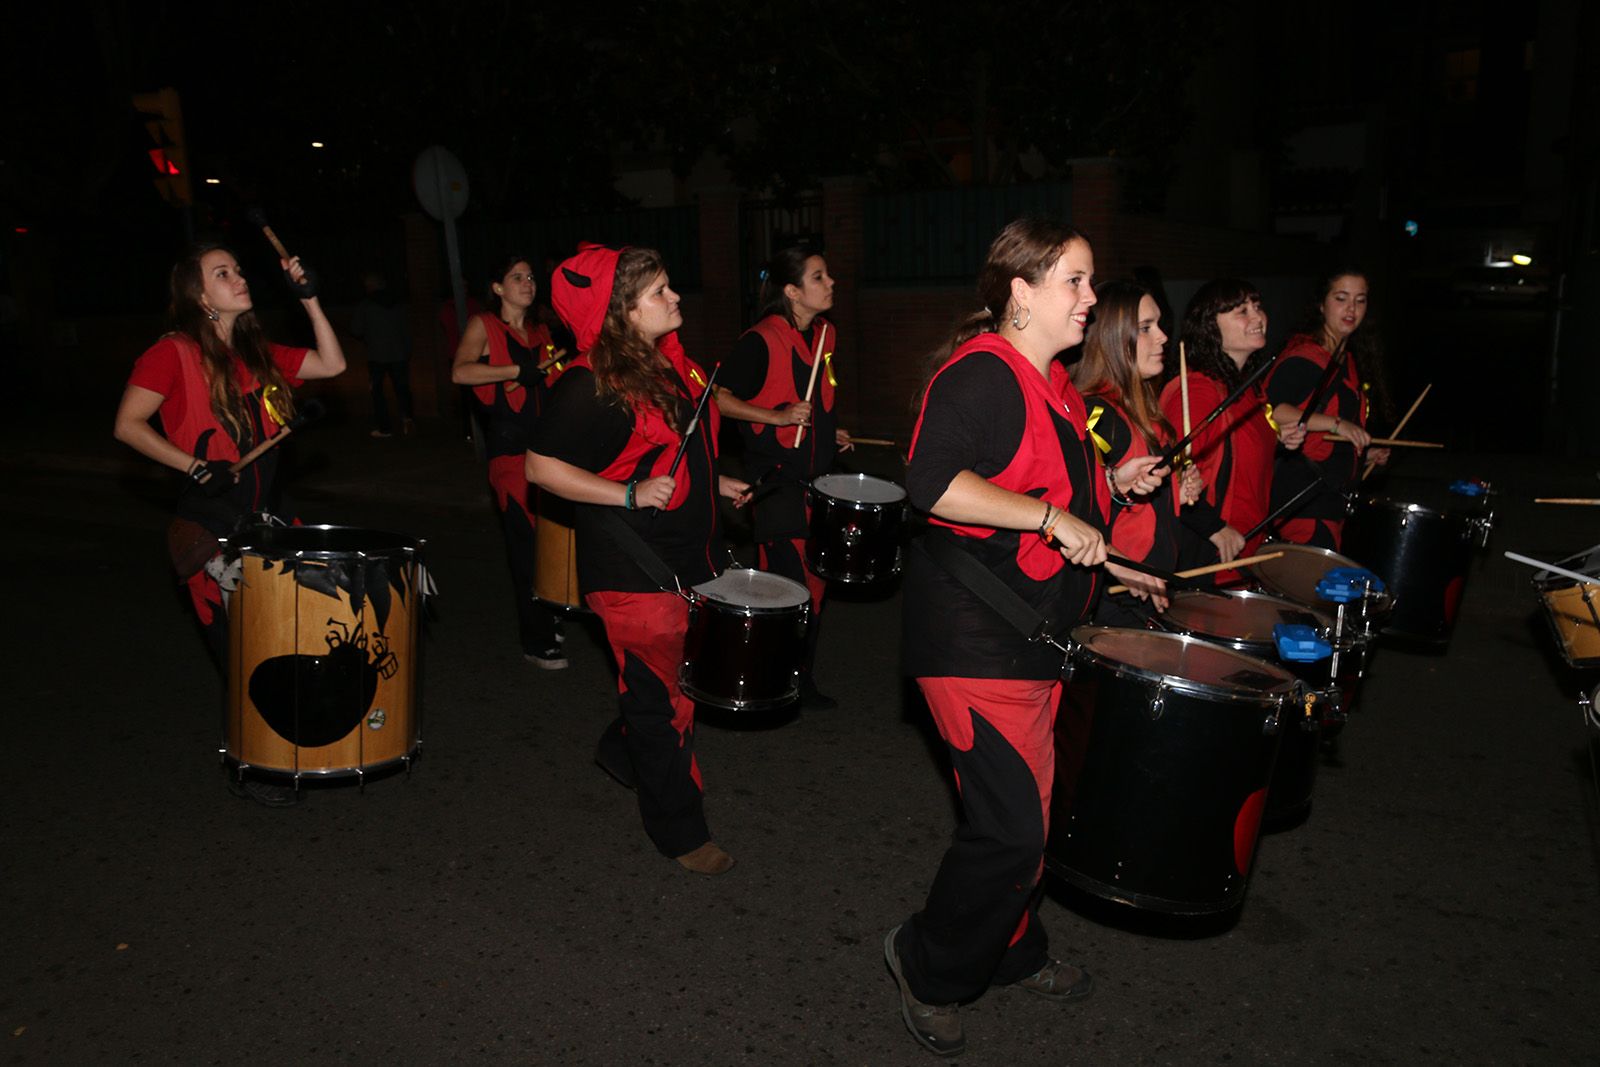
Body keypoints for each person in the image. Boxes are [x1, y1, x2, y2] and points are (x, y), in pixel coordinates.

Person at [885, 218, 1168, 1057]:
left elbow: (1053, 506)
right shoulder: (983, 376)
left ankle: (1011, 948)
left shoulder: (1056, 387)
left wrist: (1111, 541)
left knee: (1029, 820)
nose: (1090, 299)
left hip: (1034, 640)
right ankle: (926, 961)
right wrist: (1053, 514)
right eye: (1075, 282)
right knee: (1010, 831)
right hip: (972, 644)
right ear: (1021, 292)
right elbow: (930, 485)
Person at [527, 244, 750, 877]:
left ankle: (625, 749)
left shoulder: (665, 366)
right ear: (619, 310)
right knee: (663, 702)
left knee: (675, 692)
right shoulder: (588, 382)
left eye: (668, 286)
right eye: (658, 291)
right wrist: (623, 493)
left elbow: (668, 459)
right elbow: (540, 468)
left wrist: (719, 484)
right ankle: (680, 833)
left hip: (687, 560)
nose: (675, 298)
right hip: (635, 573)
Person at [112, 243, 345, 804]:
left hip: (269, 523)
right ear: (198, 294)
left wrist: (309, 300)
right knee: (245, 650)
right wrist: (192, 465)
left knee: (291, 638)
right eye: (223, 273)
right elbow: (128, 424)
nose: (239, 278)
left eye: (239, 270)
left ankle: (286, 742)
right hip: (214, 531)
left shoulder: (258, 354)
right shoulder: (172, 352)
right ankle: (254, 766)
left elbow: (333, 364)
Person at [714, 244, 853, 709]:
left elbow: (817, 404)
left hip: (818, 481)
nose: (830, 282)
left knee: (815, 591)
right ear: (792, 291)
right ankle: (765, 678)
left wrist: (832, 432)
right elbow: (720, 399)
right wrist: (776, 419)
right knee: (787, 588)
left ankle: (797, 679)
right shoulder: (759, 340)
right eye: (818, 277)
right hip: (775, 482)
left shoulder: (825, 335)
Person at [451, 255, 566, 668]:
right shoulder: (485, 325)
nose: (527, 282)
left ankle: (550, 612)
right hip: (509, 451)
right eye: (516, 277)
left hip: (547, 452)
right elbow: (461, 373)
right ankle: (535, 640)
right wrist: (518, 369)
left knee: (554, 539)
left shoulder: (541, 331)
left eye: (531, 276)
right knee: (526, 547)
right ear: (497, 288)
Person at [1071, 280, 1200, 626]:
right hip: (1117, 595)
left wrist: (1179, 490)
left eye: (1159, 325)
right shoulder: (1097, 414)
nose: (1162, 337)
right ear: (1113, 338)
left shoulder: (1150, 412)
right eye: (1145, 328)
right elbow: (1074, 498)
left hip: (1150, 589)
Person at [1159, 279, 1306, 574]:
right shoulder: (1199, 390)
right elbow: (1169, 473)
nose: (1257, 317)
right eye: (1241, 311)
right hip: (1213, 553)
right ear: (1210, 326)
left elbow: (1234, 449)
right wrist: (1214, 528)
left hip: (1246, 544)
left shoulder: (1246, 387)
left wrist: (1277, 440)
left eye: (1257, 307)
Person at [1265, 270, 1392, 550]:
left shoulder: (1344, 357)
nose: (1351, 309)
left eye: (1360, 300)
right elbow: (1274, 411)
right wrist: (1338, 425)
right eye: (1341, 298)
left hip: (1330, 502)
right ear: (1322, 305)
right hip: (1303, 501)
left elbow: (1321, 432)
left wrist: (1360, 452)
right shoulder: (1305, 357)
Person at [349, 271, 414, 438]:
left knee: (377, 392)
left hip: (376, 356)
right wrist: (407, 350)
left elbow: (356, 330)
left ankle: (385, 428)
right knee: (402, 389)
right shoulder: (398, 304)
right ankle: (407, 418)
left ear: (369, 287)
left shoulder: (365, 305)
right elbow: (407, 329)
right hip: (399, 354)